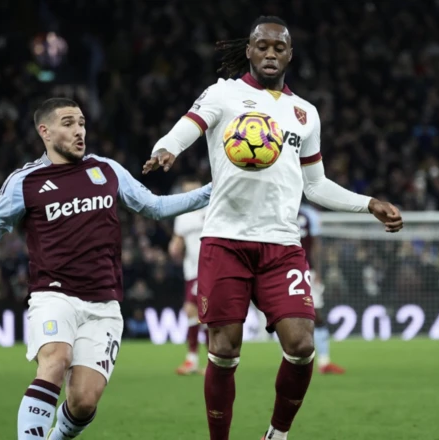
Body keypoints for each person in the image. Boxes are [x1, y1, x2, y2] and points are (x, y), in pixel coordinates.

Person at [143, 16, 403, 440]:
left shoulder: (305, 114)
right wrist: (167, 148)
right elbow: (190, 124)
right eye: (261, 46)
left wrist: (368, 203)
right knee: (224, 351)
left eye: (278, 48)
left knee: (302, 346)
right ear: (248, 50)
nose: (269, 53)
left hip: (281, 245)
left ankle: (276, 435)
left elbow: (315, 184)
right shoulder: (224, 93)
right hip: (225, 240)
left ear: (290, 55)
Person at [0, 98, 212, 440]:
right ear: (45, 131)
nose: (79, 131)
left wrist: (215, 190)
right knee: (55, 359)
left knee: (84, 402)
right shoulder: (25, 182)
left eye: (82, 123)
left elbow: (155, 206)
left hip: (104, 303)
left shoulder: (106, 170)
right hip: (53, 294)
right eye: (69, 123)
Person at [298, 202, 345, 374]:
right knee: (292, 317)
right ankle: (292, 361)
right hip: (289, 271)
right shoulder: (310, 214)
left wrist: (318, 271)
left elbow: (316, 245)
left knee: (315, 315)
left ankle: (324, 362)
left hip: (304, 271)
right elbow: (317, 245)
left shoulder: (305, 213)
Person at [168, 176, 208, 375]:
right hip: (190, 269)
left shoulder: (210, 209)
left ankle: (197, 359)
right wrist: (174, 248)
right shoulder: (182, 215)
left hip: (209, 267)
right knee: (196, 312)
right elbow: (177, 241)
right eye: (186, 189)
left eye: (192, 189)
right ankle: (205, 361)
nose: (189, 193)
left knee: (194, 309)